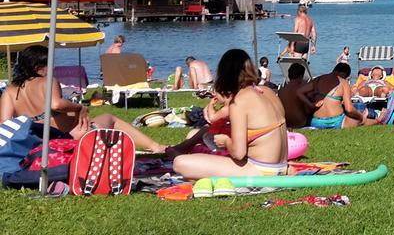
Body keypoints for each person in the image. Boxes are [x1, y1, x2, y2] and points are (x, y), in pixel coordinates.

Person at [0, 45, 166, 152]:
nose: (53, 67)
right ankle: (155, 147)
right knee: (110, 118)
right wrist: (78, 107)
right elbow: (56, 104)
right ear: (38, 67)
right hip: (66, 138)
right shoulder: (47, 81)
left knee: (101, 120)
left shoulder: (9, 91)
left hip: (34, 143)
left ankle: (152, 147)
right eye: (50, 64)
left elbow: (5, 124)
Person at [172, 49, 288, 179]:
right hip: (282, 166)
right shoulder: (267, 91)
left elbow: (239, 154)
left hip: (260, 170)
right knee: (196, 135)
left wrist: (226, 141)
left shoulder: (239, 101)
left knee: (180, 163)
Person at [302, 63, 377, 129]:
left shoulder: (316, 80)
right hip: (337, 121)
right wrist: (360, 116)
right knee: (359, 120)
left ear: (334, 69)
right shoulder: (343, 82)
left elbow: (303, 97)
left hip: (316, 122)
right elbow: (349, 109)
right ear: (344, 75)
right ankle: (378, 120)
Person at [278, 63, 316, 128]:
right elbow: (308, 110)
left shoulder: (281, 90)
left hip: (286, 122)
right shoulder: (300, 89)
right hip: (300, 122)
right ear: (301, 76)